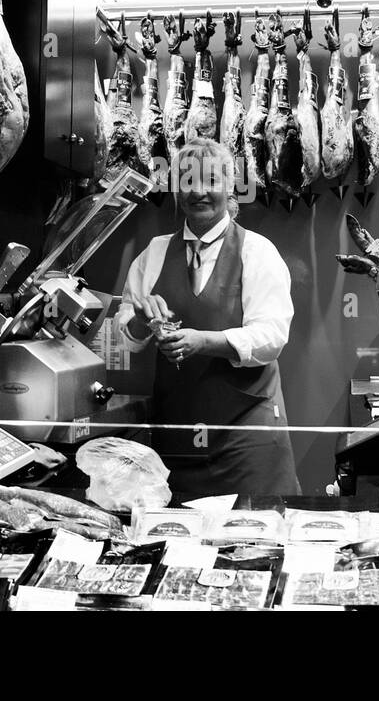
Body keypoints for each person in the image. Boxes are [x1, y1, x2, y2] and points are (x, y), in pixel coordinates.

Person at [116, 138, 300, 497]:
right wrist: (140, 319)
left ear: (230, 187)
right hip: (178, 438)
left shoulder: (257, 251)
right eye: (187, 180)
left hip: (247, 441)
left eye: (211, 181)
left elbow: (271, 337)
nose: (198, 191)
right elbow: (128, 338)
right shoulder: (153, 254)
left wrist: (204, 342)